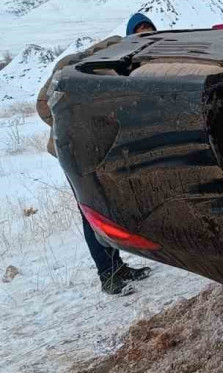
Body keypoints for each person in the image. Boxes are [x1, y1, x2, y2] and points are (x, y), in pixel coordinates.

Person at [35, 15, 157, 295]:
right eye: (140, 34)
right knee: (92, 211)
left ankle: (117, 266)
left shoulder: (134, 64)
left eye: (149, 34)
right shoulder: (102, 60)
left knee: (108, 207)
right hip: (76, 152)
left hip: (102, 150)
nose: (145, 39)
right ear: (129, 37)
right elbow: (44, 105)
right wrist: (71, 131)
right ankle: (108, 276)